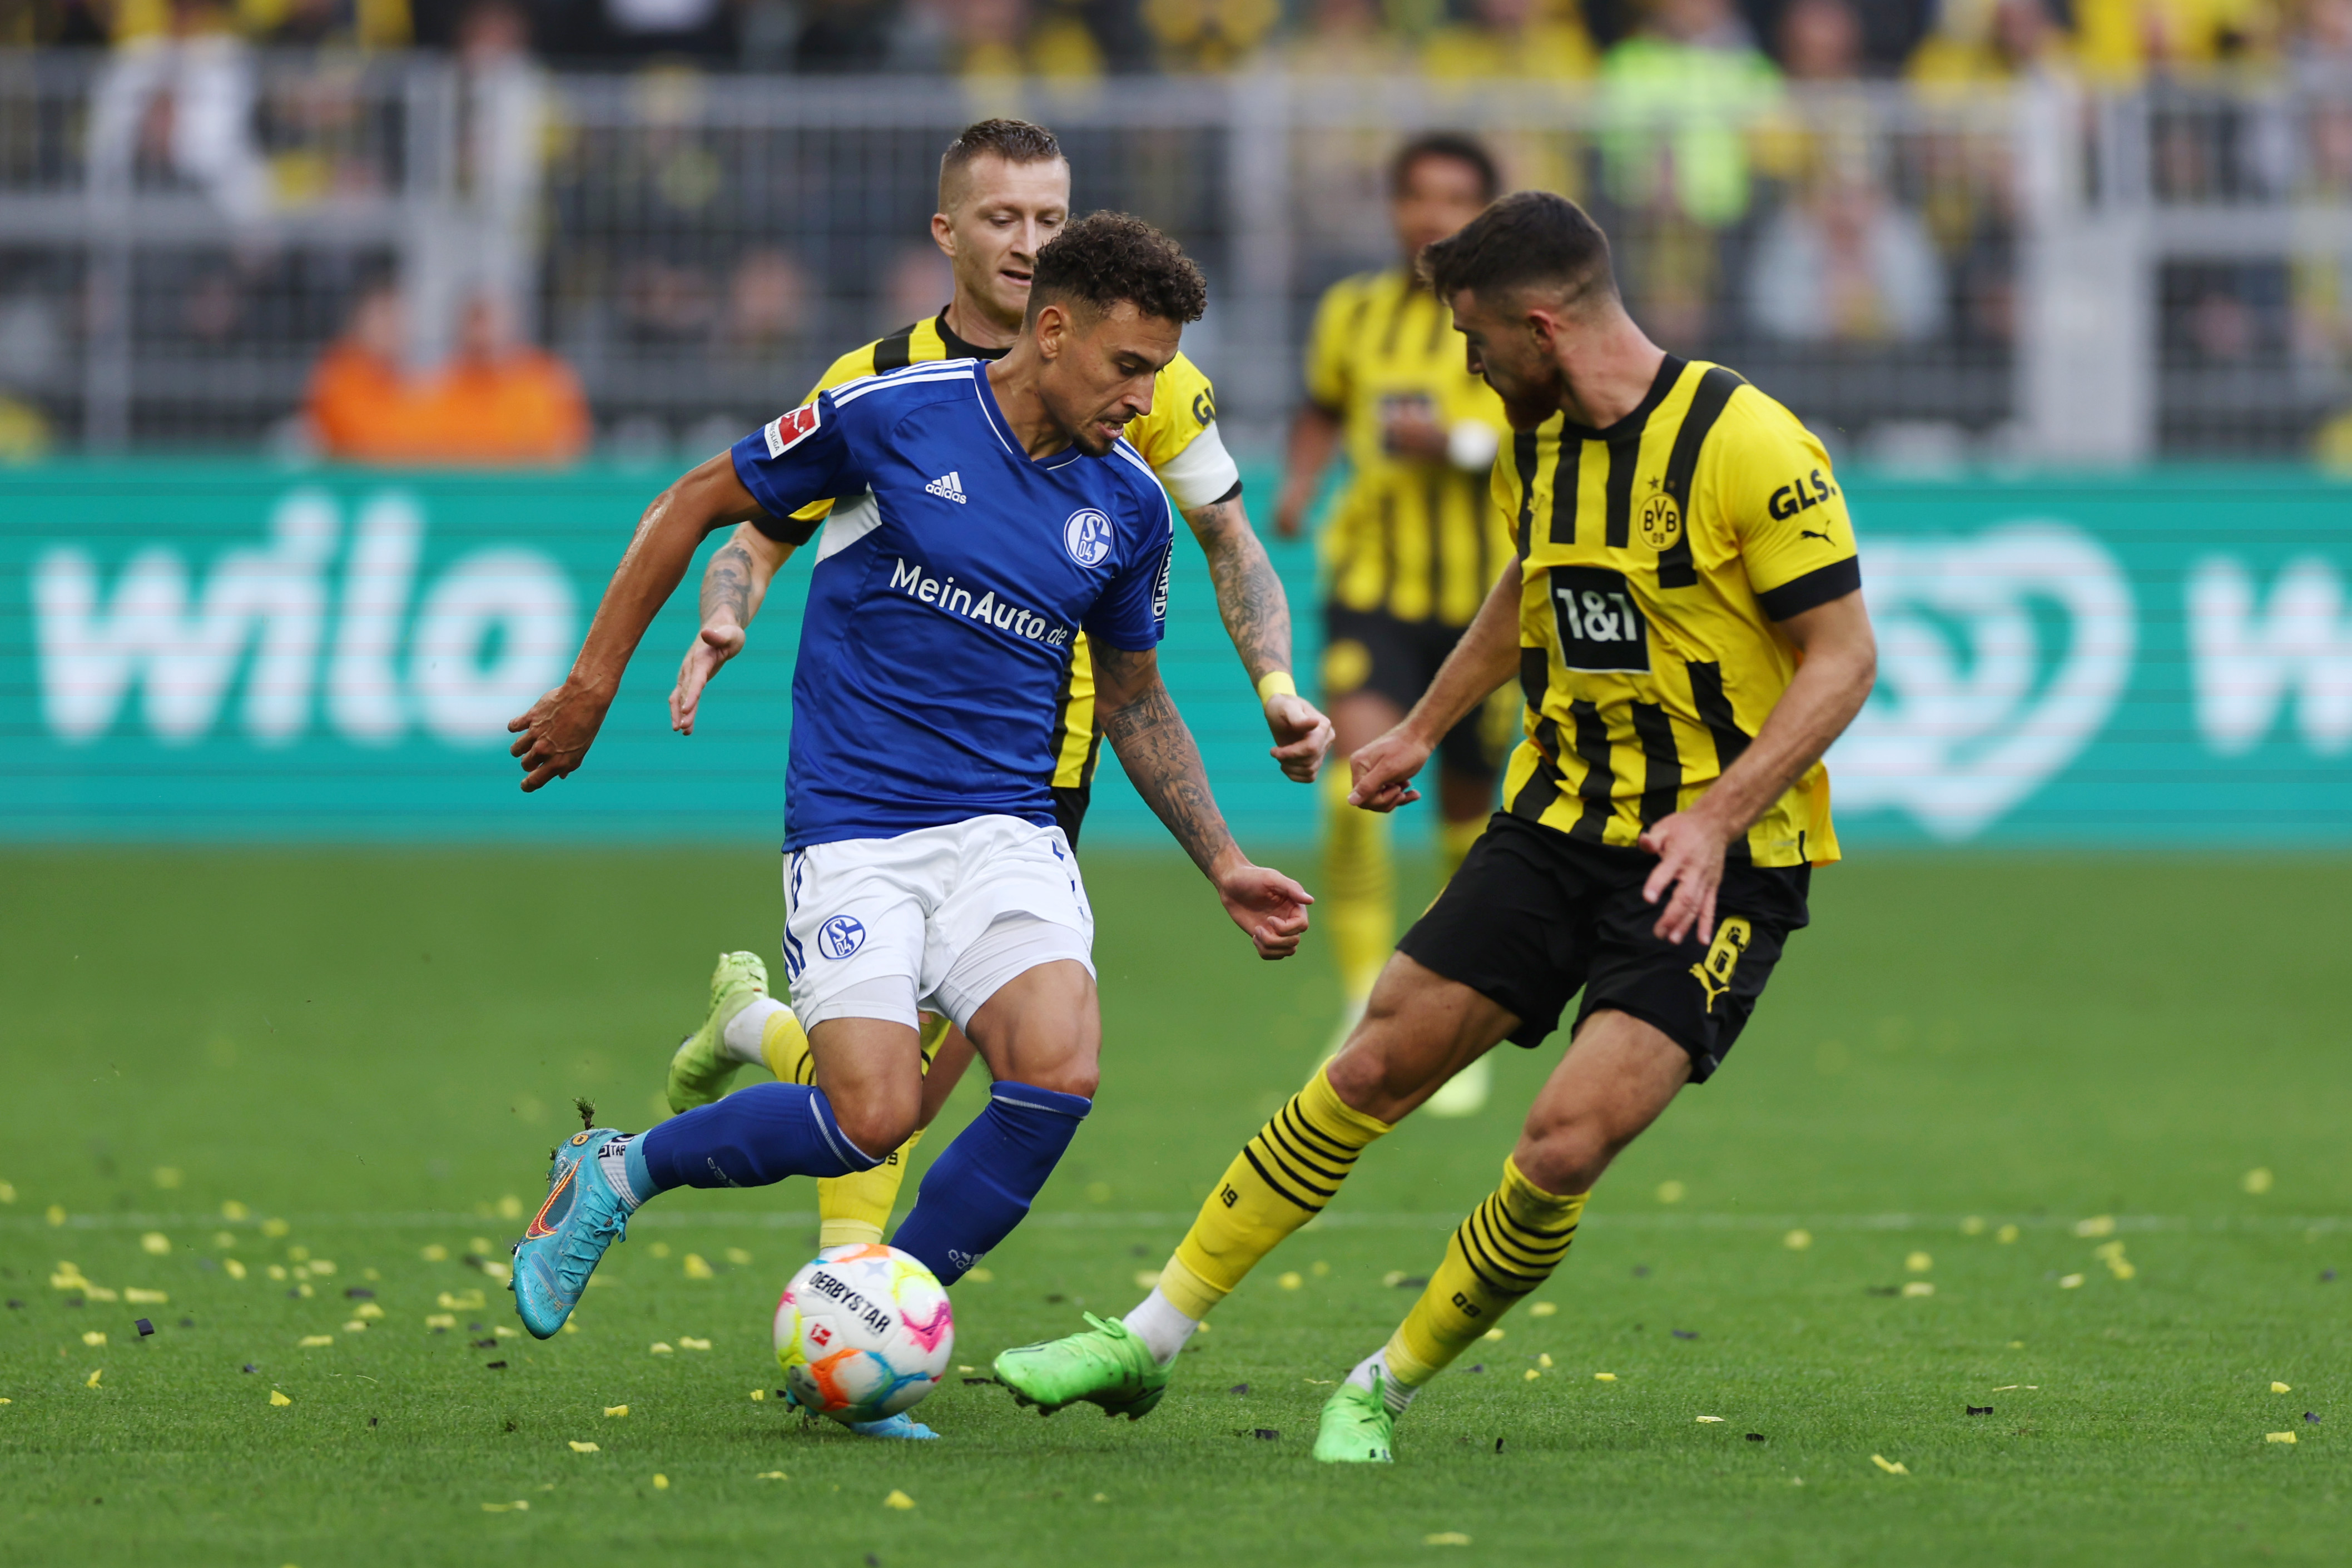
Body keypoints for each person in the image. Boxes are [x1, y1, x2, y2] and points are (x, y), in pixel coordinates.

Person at [991, 191, 1878, 1466]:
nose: (1462, 363)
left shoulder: (1751, 445)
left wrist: (1718, 816)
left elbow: (1843, 660)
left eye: (1473, 338)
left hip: (1719, 868)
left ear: (1541, 325)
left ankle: (1382, 1385)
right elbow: (1536, 580)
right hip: (1558, 819)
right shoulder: (1543, 436)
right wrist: (1419, 724)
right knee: (1369, 1066)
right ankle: (1150, 1335)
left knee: (1564, 1139)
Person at [502, 218, 1316, 1441]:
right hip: (856, 824)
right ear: (1054, 330)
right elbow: (693, 505)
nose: (1145, 396)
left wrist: (1225, 863)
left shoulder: (1129, 506)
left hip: (1006, 826)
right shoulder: (894, 414)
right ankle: (618, 1173)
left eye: (1159, 371)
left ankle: (871, 1330)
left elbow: (1139, 703)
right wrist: (592, 686)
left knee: (1059, 1070)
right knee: (867, 1120)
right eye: (1127, 367)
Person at [655, 117, 1332, 1340]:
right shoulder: (877, 384)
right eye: (1006, 218)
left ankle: (851, 1293)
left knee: (952, 1084)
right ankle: (847, 1318)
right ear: (950, 232)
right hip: (882, 782)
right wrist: (724, 614)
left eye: (1051, 219)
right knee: (887, 1098)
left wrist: (1276, 683)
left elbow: (1228, 544)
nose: (1030, 242)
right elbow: (756, 530)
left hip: (1042, 781)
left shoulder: (1151, 379)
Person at [1273, 131, 1512, 1114]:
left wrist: (1449, 442)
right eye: (1418, 195)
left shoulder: (1509, 319)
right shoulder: (1353, 314)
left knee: (1464, 818)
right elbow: (1323, 406)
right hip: (1371, 581)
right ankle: (1366, 999)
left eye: (1454, 197)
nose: (1432, 215)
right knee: (1354, 783)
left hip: (1482, 604)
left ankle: (1452, 1016)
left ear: (1485, 213)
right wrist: (1298, 482)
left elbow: (1534, 426)